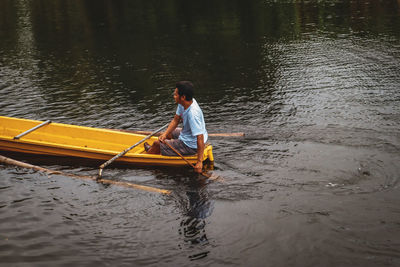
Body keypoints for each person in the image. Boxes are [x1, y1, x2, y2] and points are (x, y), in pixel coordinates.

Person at [144, 81, 208, 173]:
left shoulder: (193, 114)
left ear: (183, 97)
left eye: (175, 94)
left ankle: (150, 153)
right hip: (188, 136)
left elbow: (200, 137)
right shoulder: (184, 103)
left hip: (191, 145)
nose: (174, 96)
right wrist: (165, 134)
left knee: (156, 144)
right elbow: (176, 120)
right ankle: (165, 145)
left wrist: (199, 162)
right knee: (168, 133)